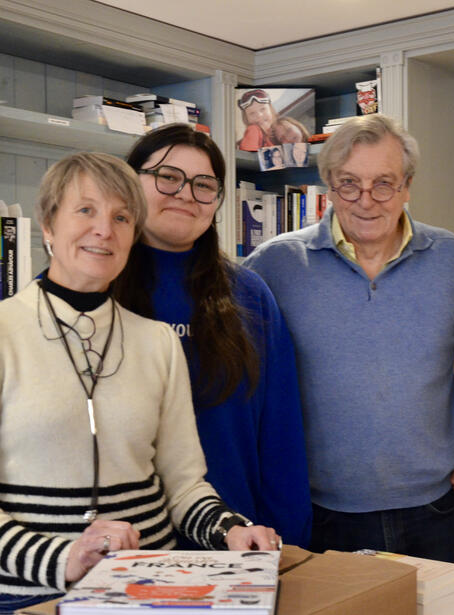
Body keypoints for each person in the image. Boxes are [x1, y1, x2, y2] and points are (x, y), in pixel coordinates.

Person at [0, 152, 279, 612]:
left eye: (121, 217)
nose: (104, 230)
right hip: (31, 598)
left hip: (149, 592)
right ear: (47, 225)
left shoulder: (157, 342)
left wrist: (230, 528)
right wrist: (64, 558)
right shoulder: (6, 332)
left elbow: (184, 485)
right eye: (85, 210)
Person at [245, 114, 454, 562]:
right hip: (318, 510)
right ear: (328, 186)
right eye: (349, 184)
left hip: (432, 508)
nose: (367, 201)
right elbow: (236, 368)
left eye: (383, 183)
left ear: (407, 186)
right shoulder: (276, 265)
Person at [113, 124, 312, 549]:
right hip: (118, 550)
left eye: (204, 185)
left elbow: (280, 434)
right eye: (168, 177)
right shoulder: (92, 290)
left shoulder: (249, 294)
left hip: (236, 543)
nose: (186, 193)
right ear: (130, 183)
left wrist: (289, 542)